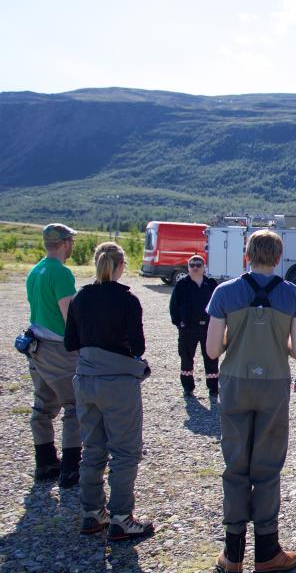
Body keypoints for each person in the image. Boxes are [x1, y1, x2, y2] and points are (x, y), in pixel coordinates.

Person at [205, 230, 296, 573]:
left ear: (247, 255)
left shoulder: (224, 292)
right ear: (278, 258)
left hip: (235, 381)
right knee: (267, 466)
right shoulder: (293, 294)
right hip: (274, 385)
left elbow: (211, 350)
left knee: (235, 464)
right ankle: (267, 552)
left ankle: (232, 554)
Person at [65, 242, 153, 540]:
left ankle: (92, 512)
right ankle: (121, 517)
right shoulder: (127, 301)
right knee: (125, 453)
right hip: (118, 382)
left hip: (86, 379)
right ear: (121, 266)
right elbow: (138, 346)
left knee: (92, 449)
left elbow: (70, 343)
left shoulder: (81, 297)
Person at [24, 223, 81, 487]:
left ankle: (45, 462)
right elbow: (68, 315)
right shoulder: (61, 273)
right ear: (66, 243)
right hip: (59, 348)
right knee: (74, 406)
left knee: (43, 406)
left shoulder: (36, 270)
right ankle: (71, 468)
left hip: (36, 347)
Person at [169, 254, 219, 399]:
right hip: (188, 329)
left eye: (199, 265)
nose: (195, 267)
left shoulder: (211, 284)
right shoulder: (182, 285)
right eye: (192, 265)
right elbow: (174, 306)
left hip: (208, 329)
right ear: (188, 267)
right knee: (186, 358)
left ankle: (213, 389)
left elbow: (218, 306)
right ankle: (187, 388)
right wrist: (179, 323)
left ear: (204, 267)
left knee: (211, 357)